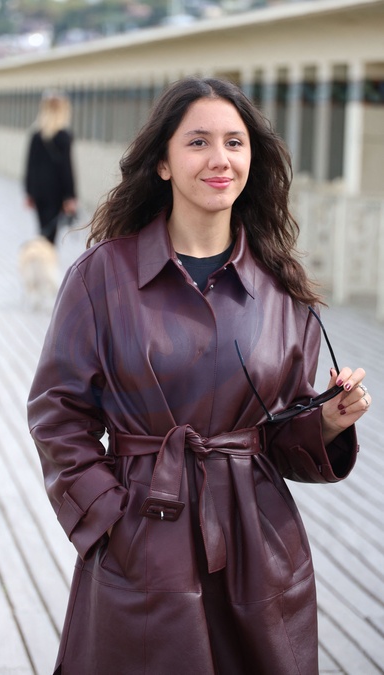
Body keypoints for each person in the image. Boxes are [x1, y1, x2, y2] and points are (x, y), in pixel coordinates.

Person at [27, 77, 372, 675]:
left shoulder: (283, 288)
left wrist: (327, 422)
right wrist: (108, 519)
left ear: (251, 160)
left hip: (256, 543)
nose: (220, 159)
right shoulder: (101, 276)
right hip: (140, 535)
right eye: (198, 142)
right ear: (162, 162)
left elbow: (278, 433)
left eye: (235, 143)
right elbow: (57, 414)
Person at [24, 90, 77, 245]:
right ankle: (45, 258)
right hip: (56, 193)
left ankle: (40, 255)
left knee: (43, 229)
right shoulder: (64, 136)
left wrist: (29, 192)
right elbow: (67, 169)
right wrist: (70, 196)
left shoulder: (36, 135)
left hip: (39, 192)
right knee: (50, 234)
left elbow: (30, 165)